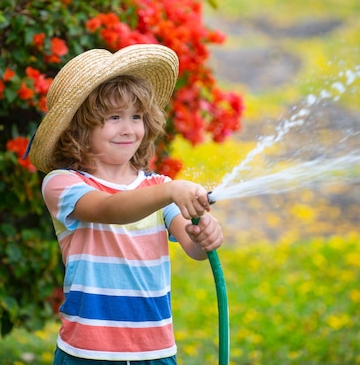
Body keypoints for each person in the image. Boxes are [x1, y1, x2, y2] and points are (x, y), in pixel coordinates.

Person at [25, 44, 224, 365]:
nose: (128, 129)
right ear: (78, 128)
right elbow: (109, 209)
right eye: (113, 118)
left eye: (136, 117)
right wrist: (172, 191)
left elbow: (192, 245)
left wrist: (205, 235)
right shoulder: (63, 183)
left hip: (154, 351)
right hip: (88, 352)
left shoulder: (157, 187)